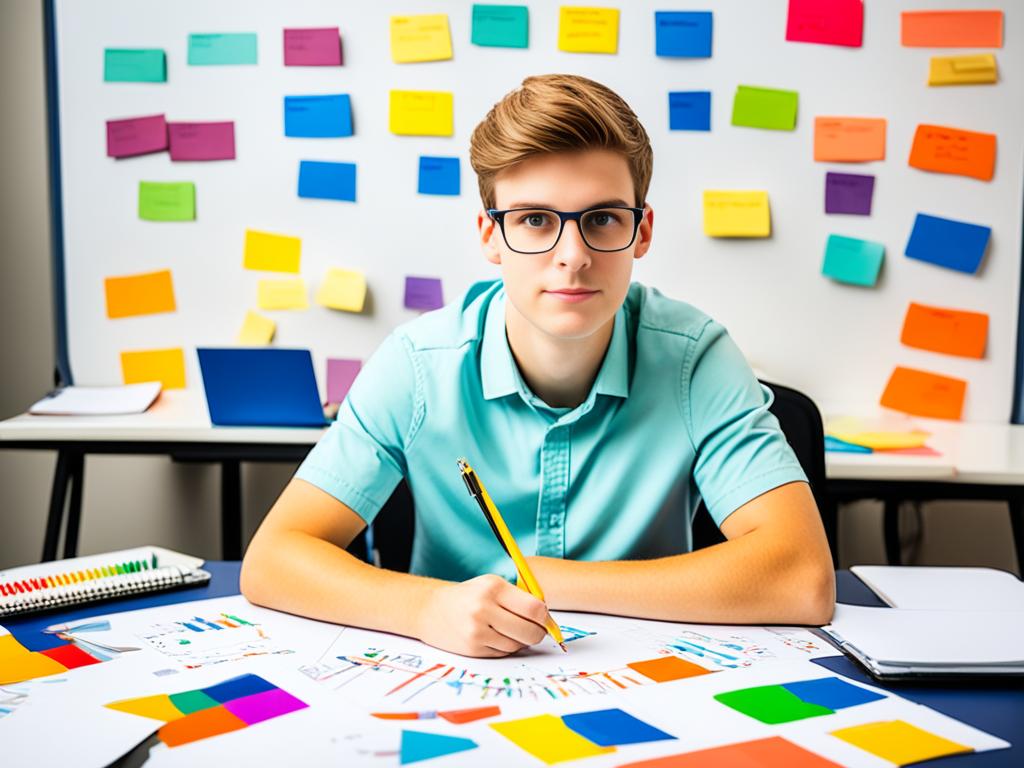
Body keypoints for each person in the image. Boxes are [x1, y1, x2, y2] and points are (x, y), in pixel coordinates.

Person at [241, 74, 835, 658]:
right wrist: (423, 608)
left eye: (602, 218)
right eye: (534, 220)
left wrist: (548, 580)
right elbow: (274, 558)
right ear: (491, 237)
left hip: (647, 674)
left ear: (642, 231)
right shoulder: (418, 364)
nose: (572, 258)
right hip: (456, 671)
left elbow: (802, 578)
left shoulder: (694, 357)